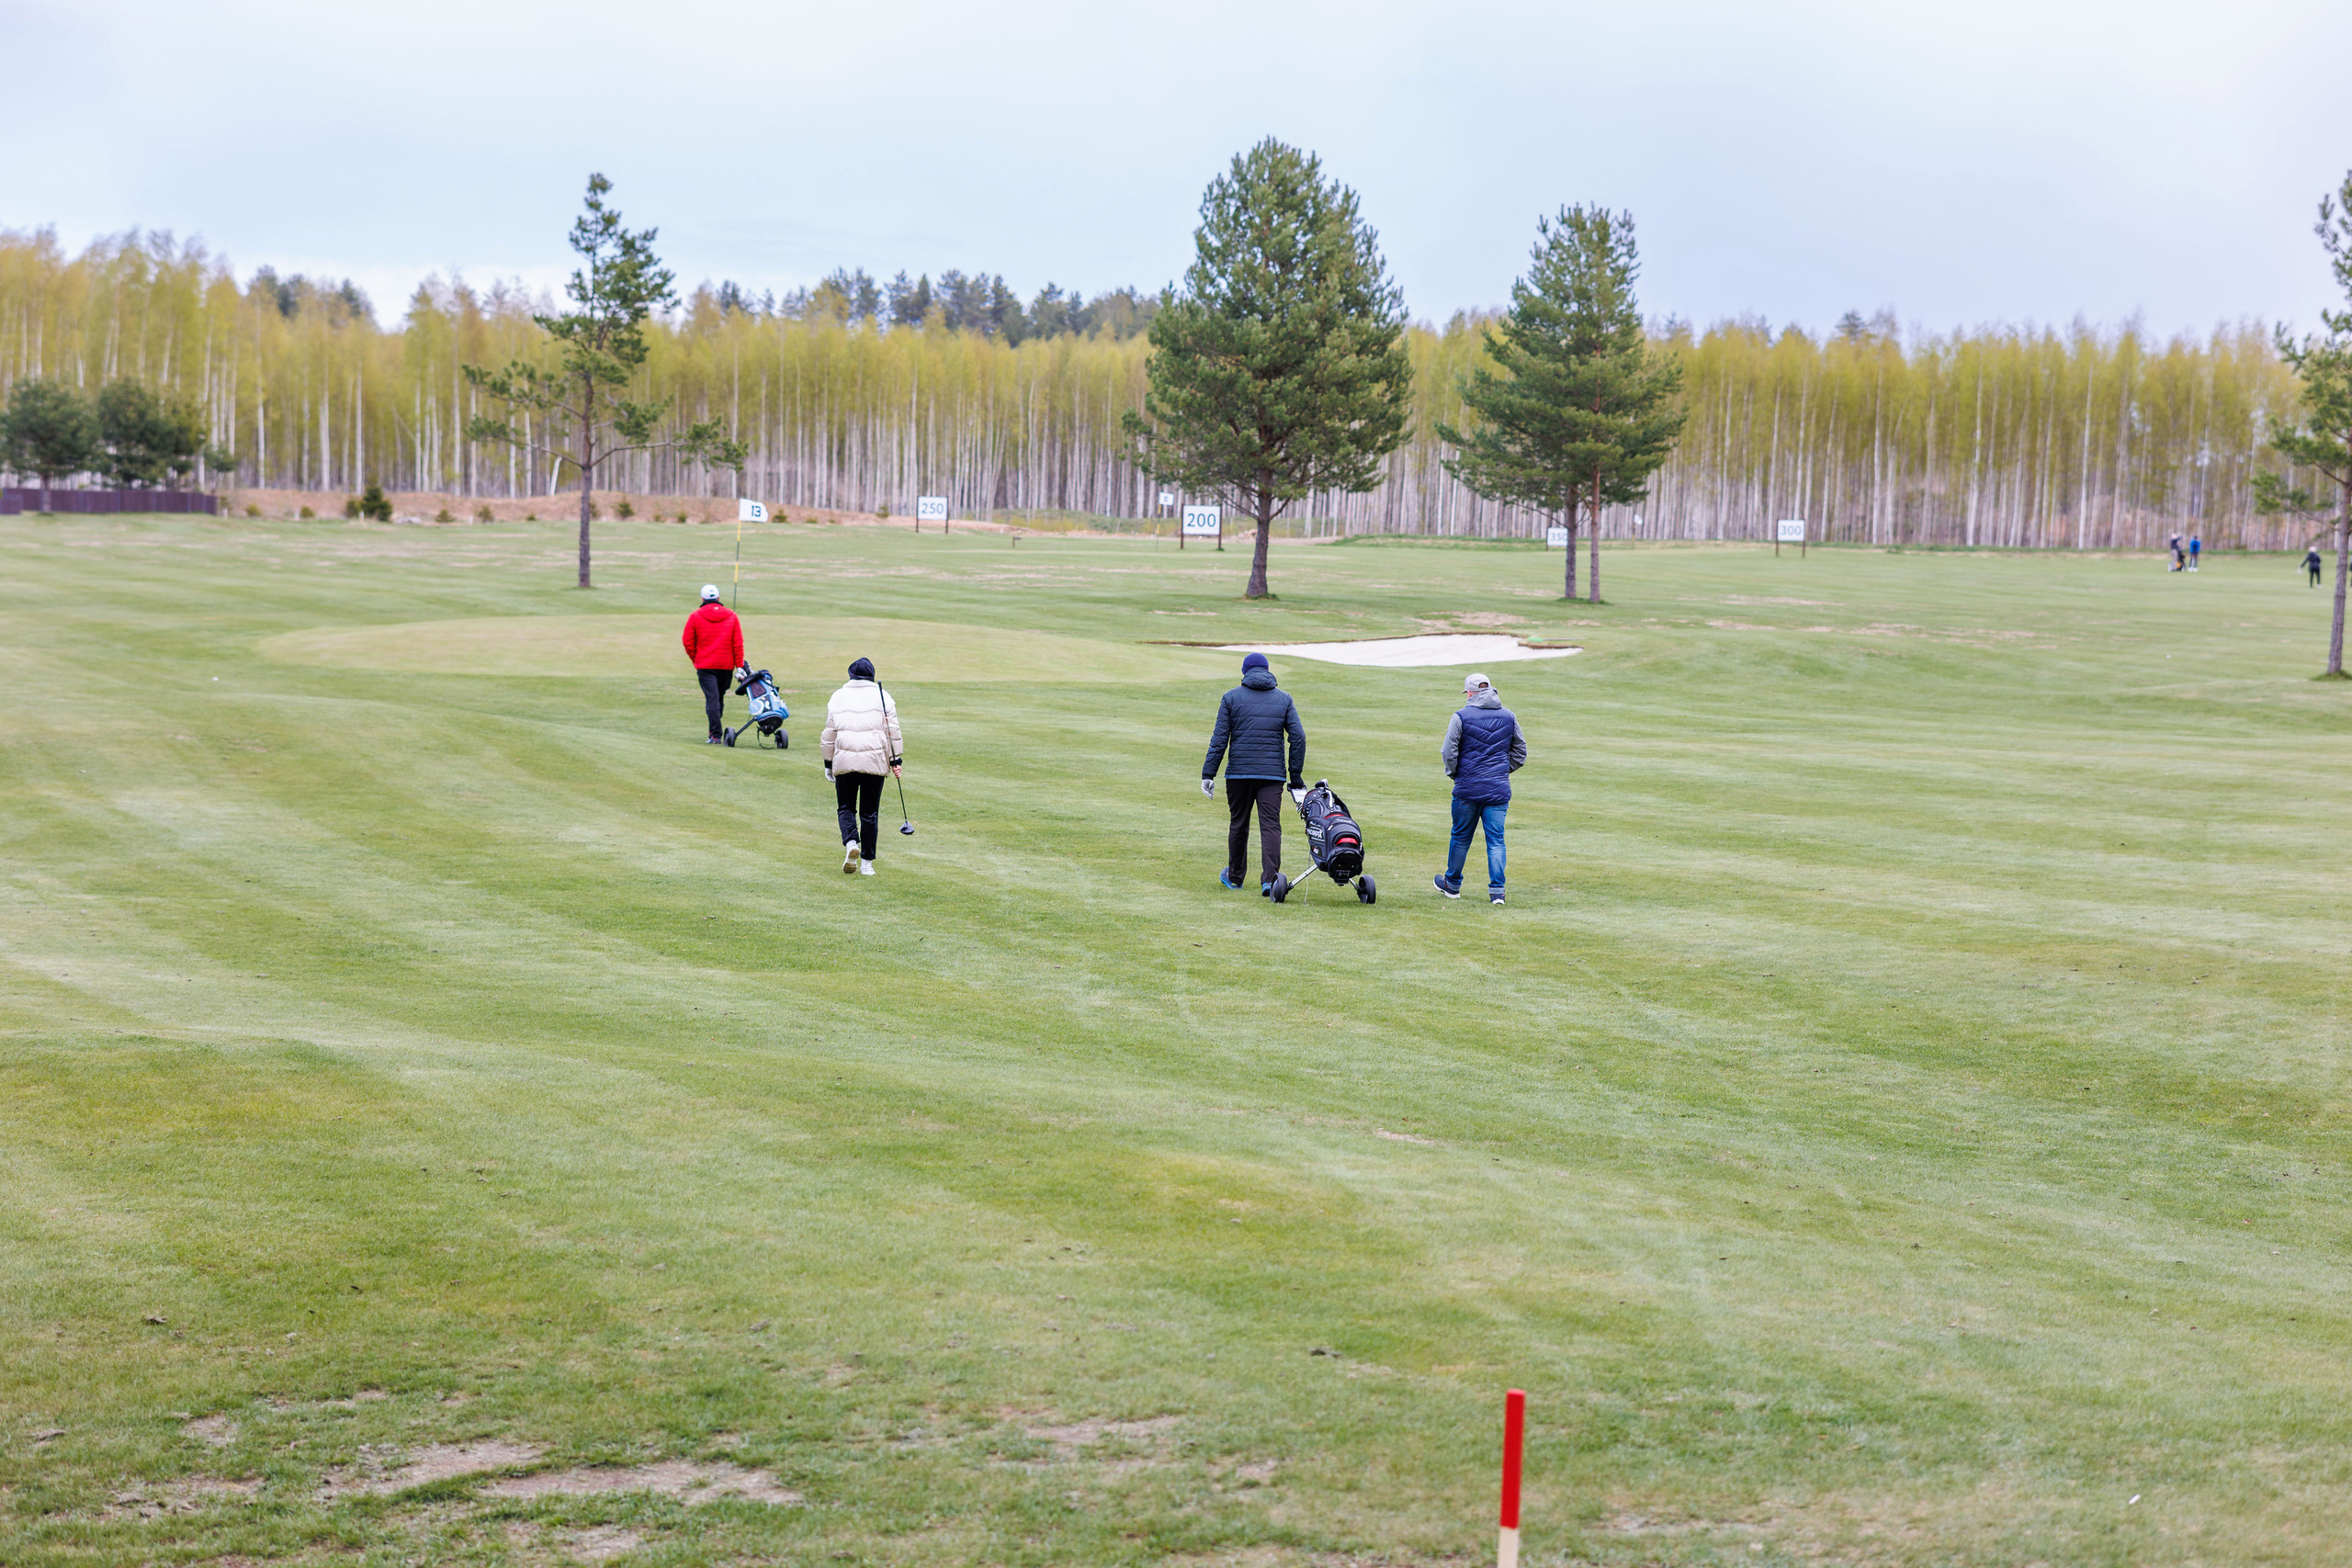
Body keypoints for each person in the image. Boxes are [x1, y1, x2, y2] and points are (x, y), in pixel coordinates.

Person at [1200, 651, 1304, 895]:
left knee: (1239, 824)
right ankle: (1270, 881)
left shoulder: (1231, 697)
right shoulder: (1284, 699)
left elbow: (1219, 739)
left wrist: (1208, 773)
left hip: (1239, 774)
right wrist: (1295, 775)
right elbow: (1298, 737)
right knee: (1270, 826)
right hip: (1272, 776)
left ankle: (1235, 878)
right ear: (1267, 671)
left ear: (1244, 672)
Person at [1435, 671, 1526, 907]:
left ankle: (1452, 885)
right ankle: (1497, 893)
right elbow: (1520, 752)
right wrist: (1501, 771)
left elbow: (1449, 751)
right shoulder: (1509, 716)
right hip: (1498, 789)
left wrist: (1455, 774)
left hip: (1467, 788)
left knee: (1460, 837)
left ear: (1471, 693)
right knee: (1496, 840)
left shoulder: (1460, 716)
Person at [820, 657, 902, 876]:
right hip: (874, 762)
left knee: (846, 808)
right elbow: (893, 732)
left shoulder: (838, 696)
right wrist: (896, 761)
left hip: (844, 761)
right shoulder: (883, 696)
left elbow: (829, 734)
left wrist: (828, 763)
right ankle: (867, 864)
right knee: (869, 813)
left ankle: (850, 843)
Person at [681, 584, 744, 743]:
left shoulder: (695, 616)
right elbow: (737, 643)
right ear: (718, 598)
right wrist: (739, 666)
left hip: (705, 665)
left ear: (702, 599)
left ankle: (715, 735)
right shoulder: (732, 616)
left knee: (713, 699)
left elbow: (688, 641)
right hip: (725, 666)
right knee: (718, 698)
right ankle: (715, 732)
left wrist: (696, 658)